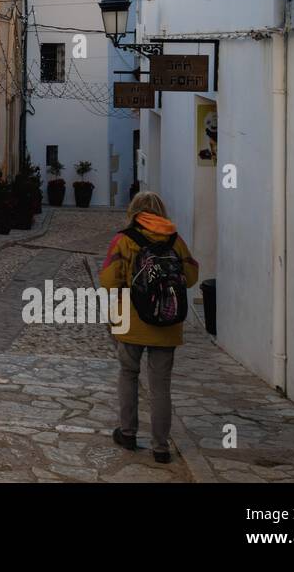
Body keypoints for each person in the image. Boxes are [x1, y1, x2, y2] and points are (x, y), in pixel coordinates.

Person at [98, 191, 199, 464]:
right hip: (167, 322)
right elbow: (190, 277)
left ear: (134, 211)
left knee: (128, 374)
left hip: (130, 319)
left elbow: (108, 280)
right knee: (160, 385)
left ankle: (128, 433)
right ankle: (160, 447)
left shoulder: (124, 240)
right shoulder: (175, 241)